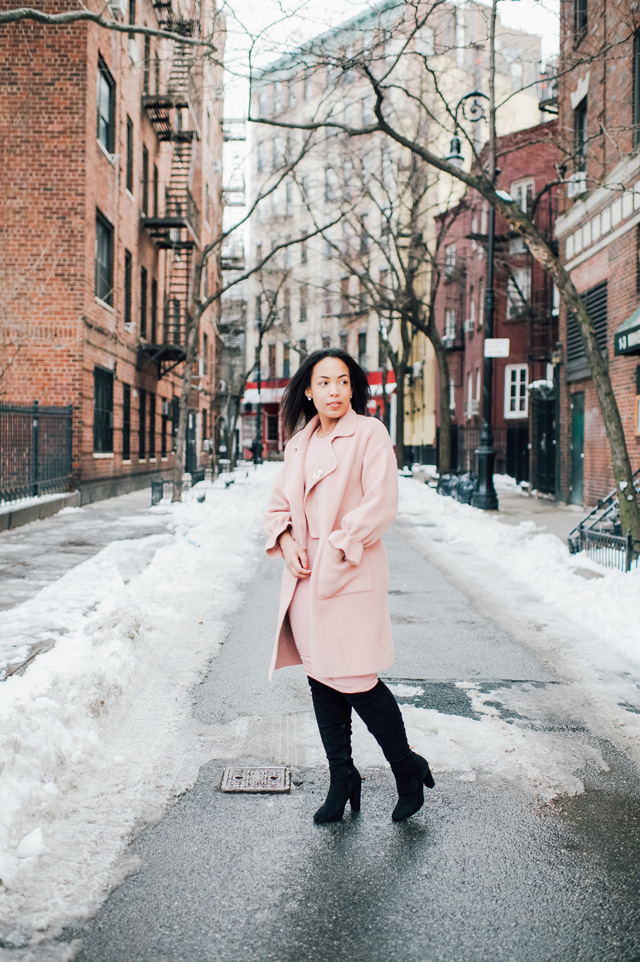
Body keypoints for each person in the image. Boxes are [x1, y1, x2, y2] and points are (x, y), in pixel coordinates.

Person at [264, 348, 435, 823]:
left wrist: (337, 547)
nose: (334, 391)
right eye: (324, 383)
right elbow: (278, 504)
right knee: (321, 675)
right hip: (305, 578)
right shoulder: (298, 443)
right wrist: (286, 538)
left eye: (342, 381)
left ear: (353, 388)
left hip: (349, 566)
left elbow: (381, 504)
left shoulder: (369, 433)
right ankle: (342, 776)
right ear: (309, 390)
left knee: (357, 678)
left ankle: (406, 766)